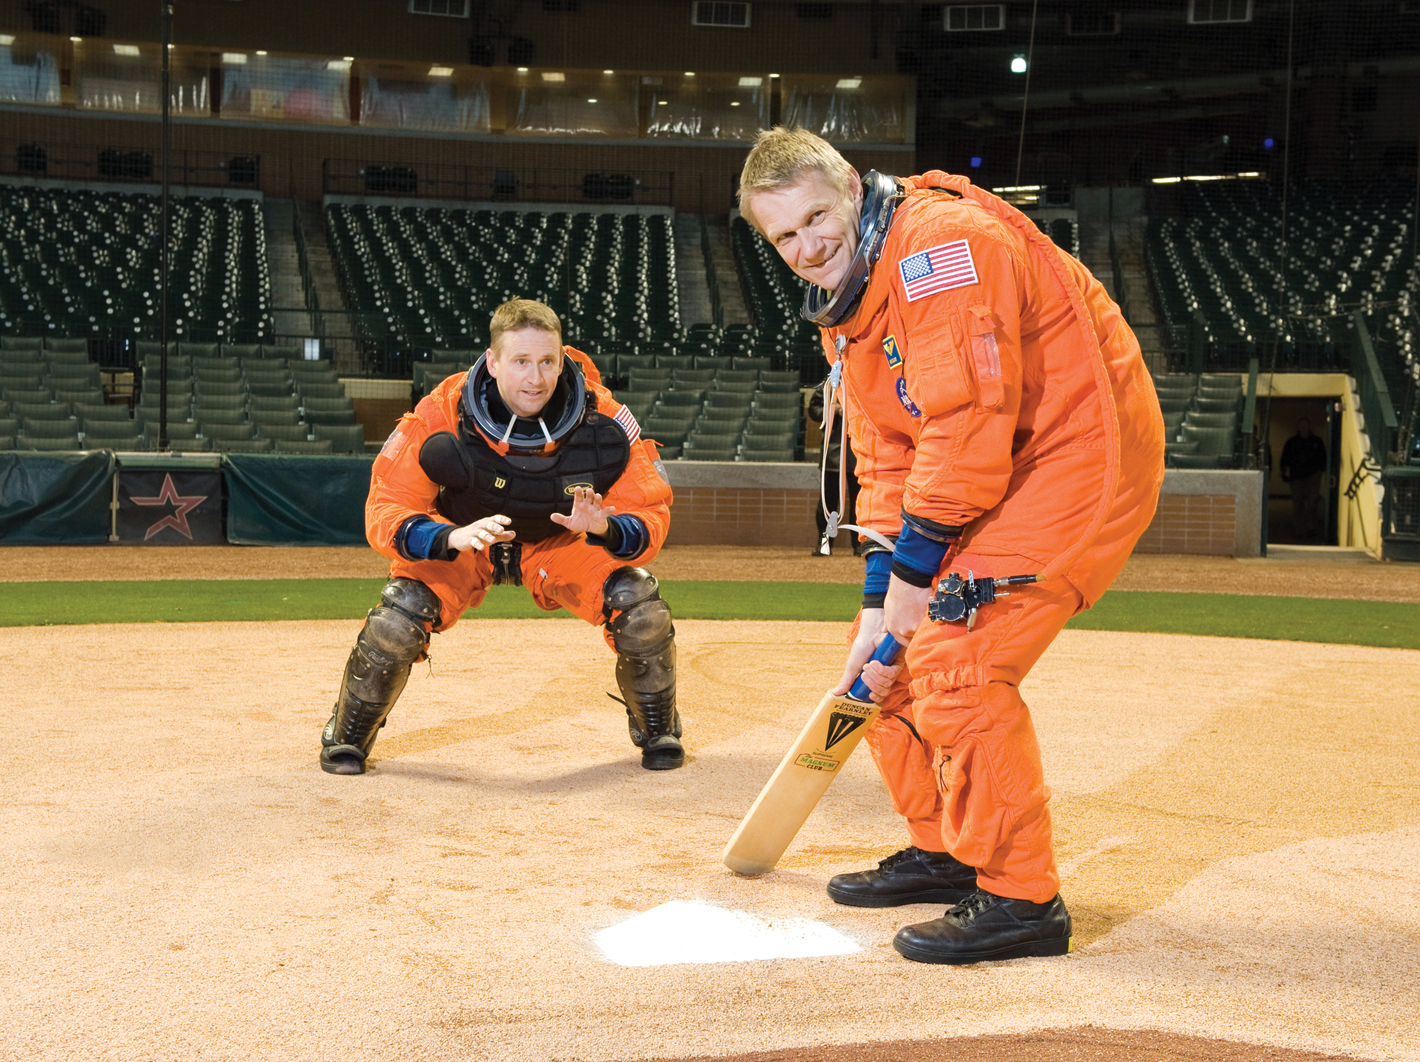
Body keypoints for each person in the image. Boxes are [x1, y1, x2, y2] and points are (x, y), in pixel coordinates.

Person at [738, 128, 1164, 964]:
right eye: (784, 236)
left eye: (817, 217)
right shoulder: (848, 306)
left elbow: (966, 421)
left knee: (954, 665)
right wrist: (878, 600)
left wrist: (916, 573)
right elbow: (888, 453)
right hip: (993, 463)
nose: (807, 246)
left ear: (853, 190)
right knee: (882, 662)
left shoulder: (940, 246)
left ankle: (1021, 899)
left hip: (1072, 458)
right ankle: (947, 848)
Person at [319, 298, 684, 775]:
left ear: (563, 360)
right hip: (469, 542)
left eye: (548, 362)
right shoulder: (442, 413)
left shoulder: (606, 420)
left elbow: (651, 510)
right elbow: (385, 505)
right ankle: (346, 735)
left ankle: (659, 728)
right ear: (492, 362)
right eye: (520, 361)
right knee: (398, 615)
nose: (536, 378)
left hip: (559, 543)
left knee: (639, 605)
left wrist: (606, 527)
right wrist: (447, 537)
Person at [808, 379, 861, 556]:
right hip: (832, 453)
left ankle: (859, 544)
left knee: (859, 504)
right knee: (828, 505)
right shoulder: (830, 383)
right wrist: (834, 410)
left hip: (859, 453)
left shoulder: (864, 381)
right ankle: (825, 544)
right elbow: (814, 411)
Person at [1280, 417, 1327, 539]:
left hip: (1313, 476)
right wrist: (1283, 471)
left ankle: (1310, 527)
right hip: (1296, 476)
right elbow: (1285, 457)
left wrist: (1321, 471)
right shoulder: (1291, 442)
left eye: (1305, 425)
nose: (1303, 428)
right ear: (1298, 427)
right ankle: (1299, 530)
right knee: (1298, 503)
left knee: (1312, 503)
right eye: (1301, 425)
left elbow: (1323, 457)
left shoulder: (1317, 441)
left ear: (1309, 426)